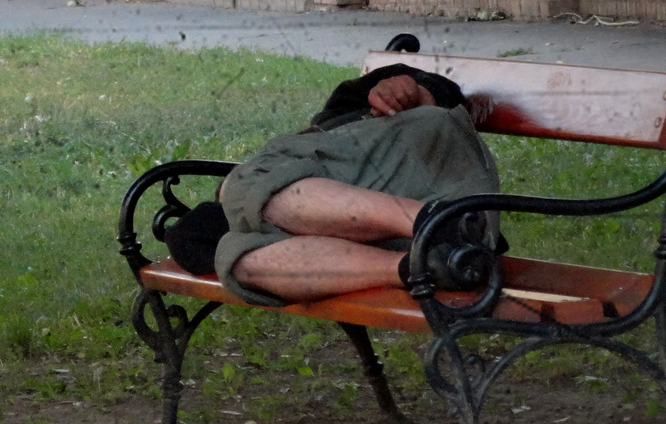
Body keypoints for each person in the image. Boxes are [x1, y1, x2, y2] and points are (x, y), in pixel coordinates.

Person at [164, 64, 500, 304]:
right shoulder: (275, 223)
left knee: (248, 180)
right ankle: (422, 265)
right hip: (430, 243)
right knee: (239, 260)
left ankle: (433, 223)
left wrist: (413, 88)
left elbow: (443, 93)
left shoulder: (348, 112)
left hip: (433, 173)